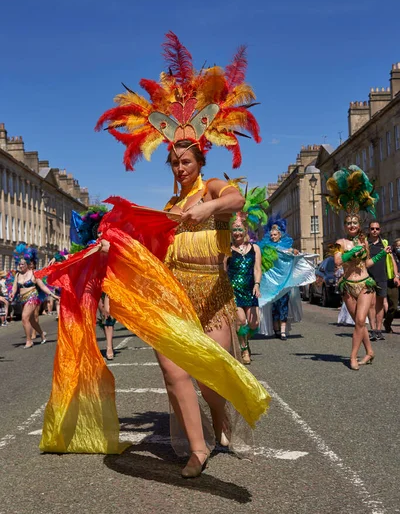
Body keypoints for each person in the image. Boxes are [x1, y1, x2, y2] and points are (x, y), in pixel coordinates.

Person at [39, 32, 270, 476]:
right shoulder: (165, 211)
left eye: (188, 162)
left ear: (200, 164)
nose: (182, 169)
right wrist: (111, 248)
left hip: (214, 297)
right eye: (176, 164)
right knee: (173, 371)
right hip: (174, 297)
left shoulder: (213, 188)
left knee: (211, 378)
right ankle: (197, 450)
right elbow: (143, 249)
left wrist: (207, 205)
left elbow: (237, 201)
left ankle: (219, 421)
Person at [326, 165, 390, 370]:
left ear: (358, 224)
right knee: (358, 324)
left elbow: (368, 263)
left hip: (364, 285)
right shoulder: (338, 242)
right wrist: (351, 252)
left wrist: (381, 253)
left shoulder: (365, 242)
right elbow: (337, 262)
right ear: (345, 225)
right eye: (348, 223)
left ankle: (352, 357)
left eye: (355, 222)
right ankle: (369, 352)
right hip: (347, 286)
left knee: (362, 320)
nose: (352, 225)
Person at [226, 218, 261, 364]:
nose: (237, 233)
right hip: (234, 290)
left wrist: (257, 284)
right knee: (240, 320)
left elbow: (257, 268)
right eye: (234, 230)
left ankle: (245, 340)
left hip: (250, 290)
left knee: (254, 323)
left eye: (240, 229)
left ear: (245, 230)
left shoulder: (255, 248)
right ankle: (244, 349)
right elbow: (223, 269)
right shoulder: (227, 249)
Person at [10, 243, 59, 348]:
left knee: (24, 318)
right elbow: (14, 287)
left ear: (27, 264)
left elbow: (42, 286)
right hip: (22, 299)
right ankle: (42, 334)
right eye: (19, 264)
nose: (20, 266)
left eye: (22, 264)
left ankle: (29, 341)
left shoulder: (34, 273)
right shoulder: (18, 275)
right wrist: (12, 293)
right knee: (32, 320)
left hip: (33, 297)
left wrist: (53, 295)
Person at [367, 221, 390, 341]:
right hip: (369, 278)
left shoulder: (384, 243)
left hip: (382, 277)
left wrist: (395, 275)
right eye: (372, 229)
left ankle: (379, 329)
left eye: (377, 229)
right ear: (369, 230)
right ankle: (373, 329)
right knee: (371, 304)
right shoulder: (365, 243)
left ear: (380, 230)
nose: (374, 231)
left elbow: (390, 260)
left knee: (380, 305)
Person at [384, 238, 400, 334]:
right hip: (392, 282)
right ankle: (387, 323)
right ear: (394, 246)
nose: (399, 248)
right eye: (397, 246)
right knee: (393, 306)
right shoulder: (390, 255)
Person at [97, 293, 116, 360]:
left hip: (109, 285)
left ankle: (109, 347)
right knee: (103, 314)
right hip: (95, 286)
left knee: (108, 314)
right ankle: (110, 343)